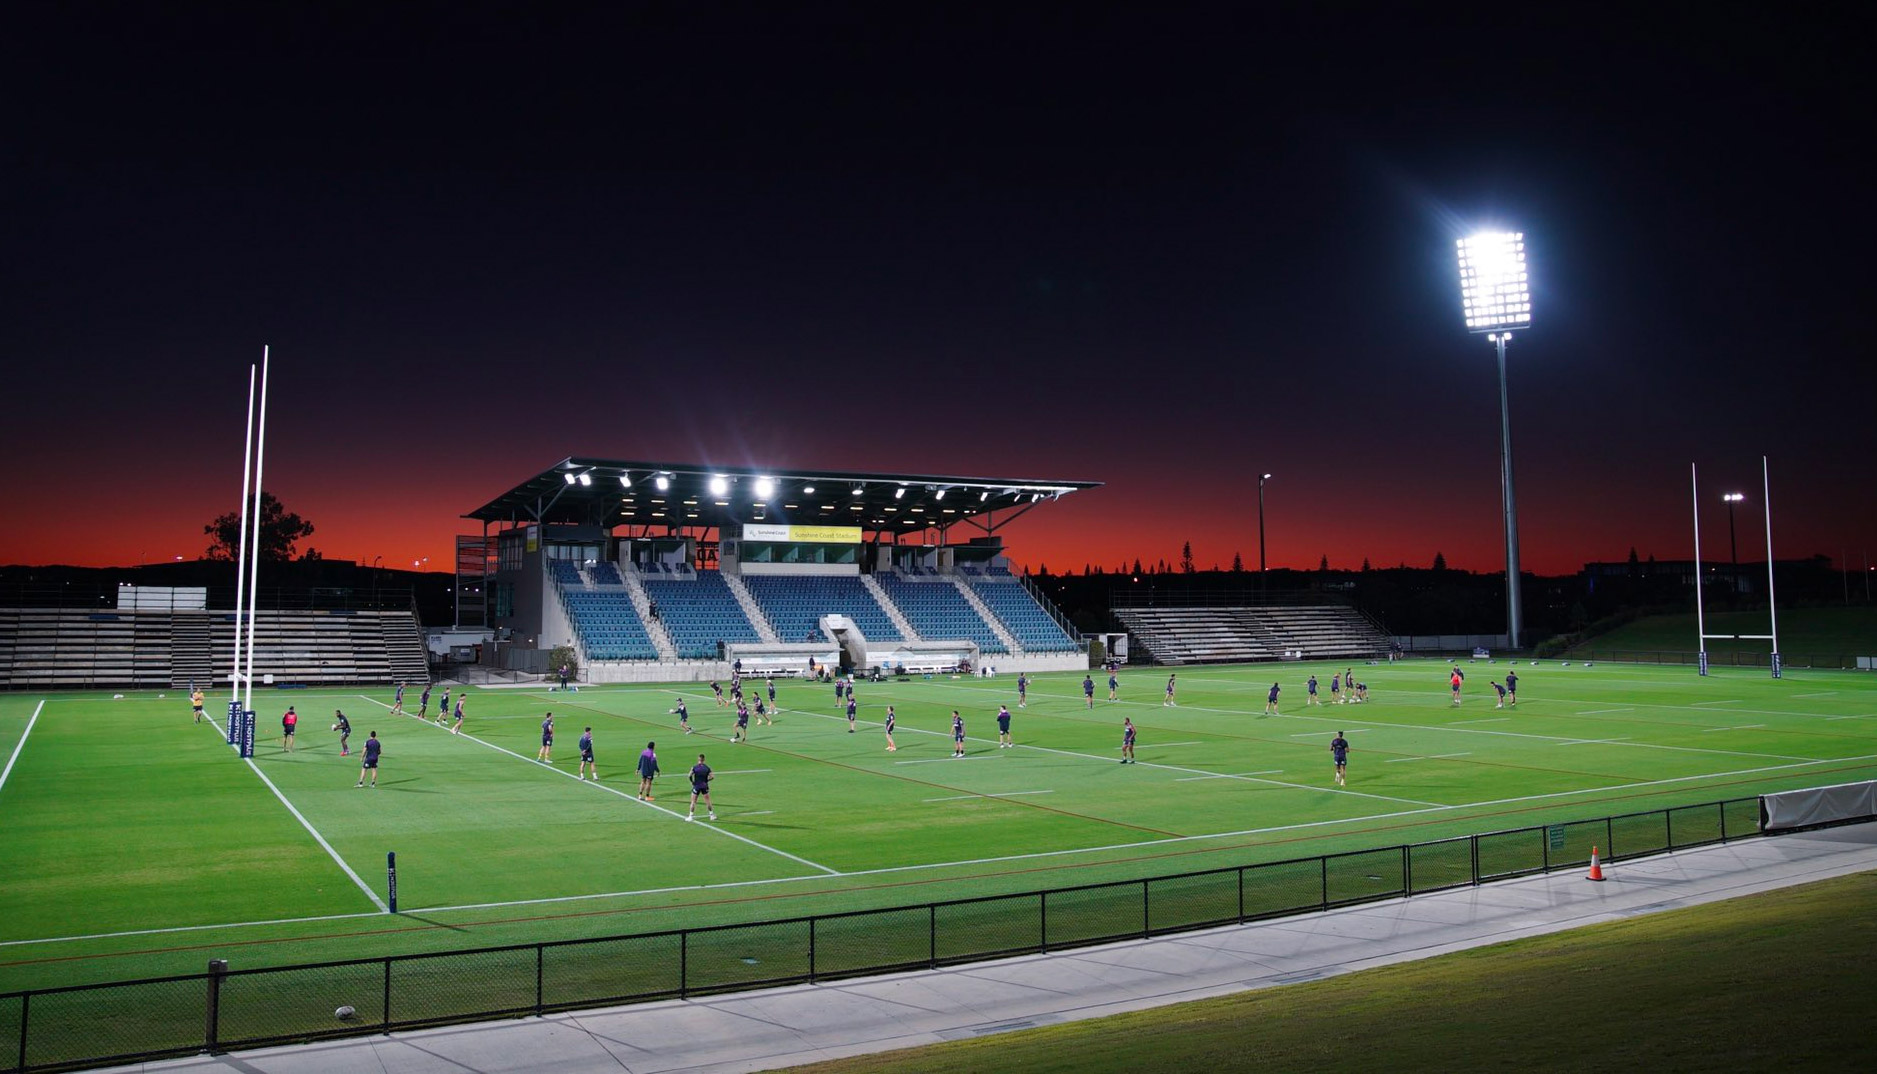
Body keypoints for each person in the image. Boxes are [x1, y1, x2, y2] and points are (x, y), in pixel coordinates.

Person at [686, 753, 715, 821]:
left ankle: (691, 816)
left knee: (693, 802)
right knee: (708, 801)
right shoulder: (707, 768)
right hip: (704, 786)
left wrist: (692, 782)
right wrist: (706, 780)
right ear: (704, 759)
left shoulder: (694, 767)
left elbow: (689, 775)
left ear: (698, 759)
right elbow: (712, 777)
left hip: (696, 786)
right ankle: (711, 815)